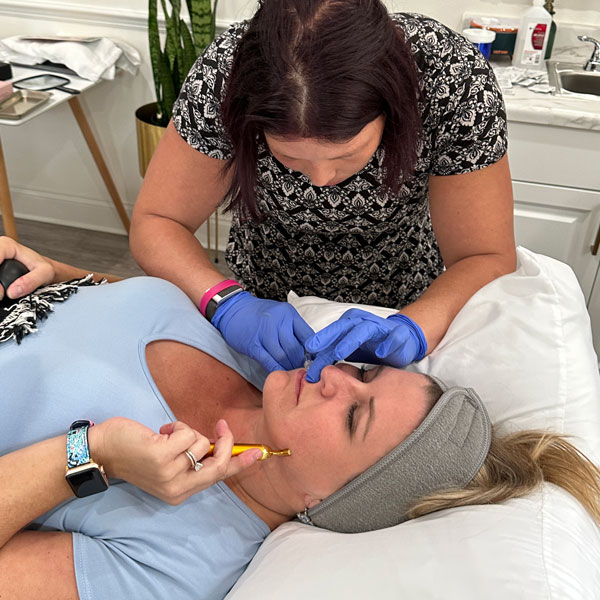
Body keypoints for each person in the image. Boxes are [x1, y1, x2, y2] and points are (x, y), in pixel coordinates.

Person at [1, 241, 599, 599]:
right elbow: (118, 308)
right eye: (365, 375)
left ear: (326, 499)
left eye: (353, 418)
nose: (333, 375)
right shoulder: (262, 362)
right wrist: (53, 274)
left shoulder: (182, 563)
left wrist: (89, 454)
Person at [124, 0, 517, 382]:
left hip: (407, 300)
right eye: (289, 158)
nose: (320, 179)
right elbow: (158, 220)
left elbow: (484, 254)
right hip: (265, 301)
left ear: (393, 105)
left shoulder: (450, 79)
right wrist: (226, 304)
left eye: (347, 156)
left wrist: (415, 327)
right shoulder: (222, 77)